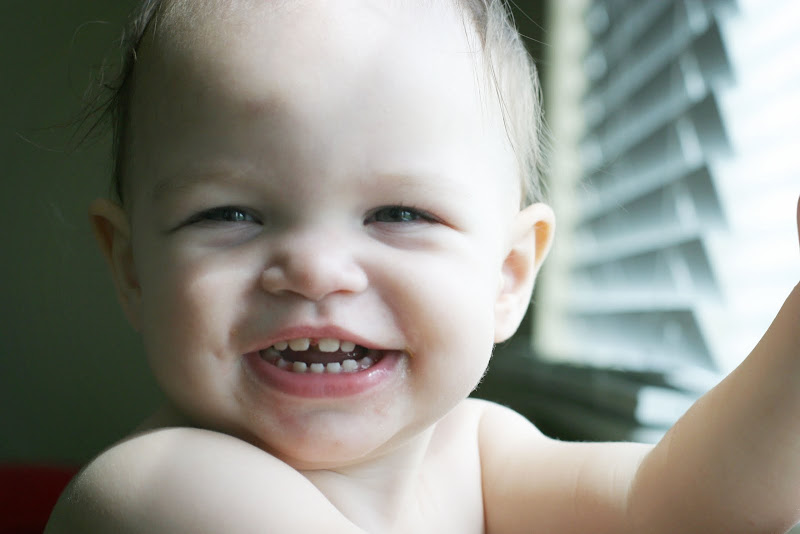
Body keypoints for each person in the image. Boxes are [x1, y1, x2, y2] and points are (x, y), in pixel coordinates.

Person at [46, 0, 800, 532]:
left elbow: (675, 508)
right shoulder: (157, 487)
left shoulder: (472, 451)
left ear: (507, 276)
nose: (316, 270)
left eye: (400, 213)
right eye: (230, 215)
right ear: (133, 269)